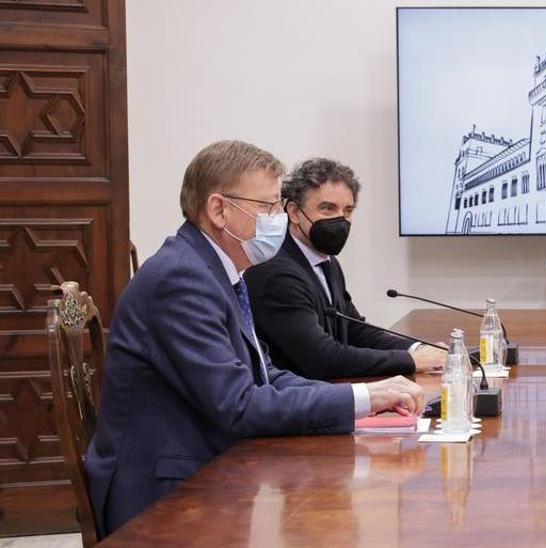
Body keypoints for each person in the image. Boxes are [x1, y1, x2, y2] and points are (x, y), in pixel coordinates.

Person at [86, 141, 427, 536]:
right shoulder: (182, 280)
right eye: (266, 207)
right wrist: (362, 398)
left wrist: (364, 400)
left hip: (206, 465)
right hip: (164, 490)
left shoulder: (218, 270)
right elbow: (238, 404)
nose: (277, 219)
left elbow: (265, 374)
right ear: (219, 210)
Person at [244, 158, 445, 379]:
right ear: (293, 212)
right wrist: (411, 361)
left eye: (347, 210)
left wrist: (417, 350)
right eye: (327, 208)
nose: (340, 220)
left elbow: (354, 329)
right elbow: (322, 358)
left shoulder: (326, 260)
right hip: (297, 402)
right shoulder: (275, 272)